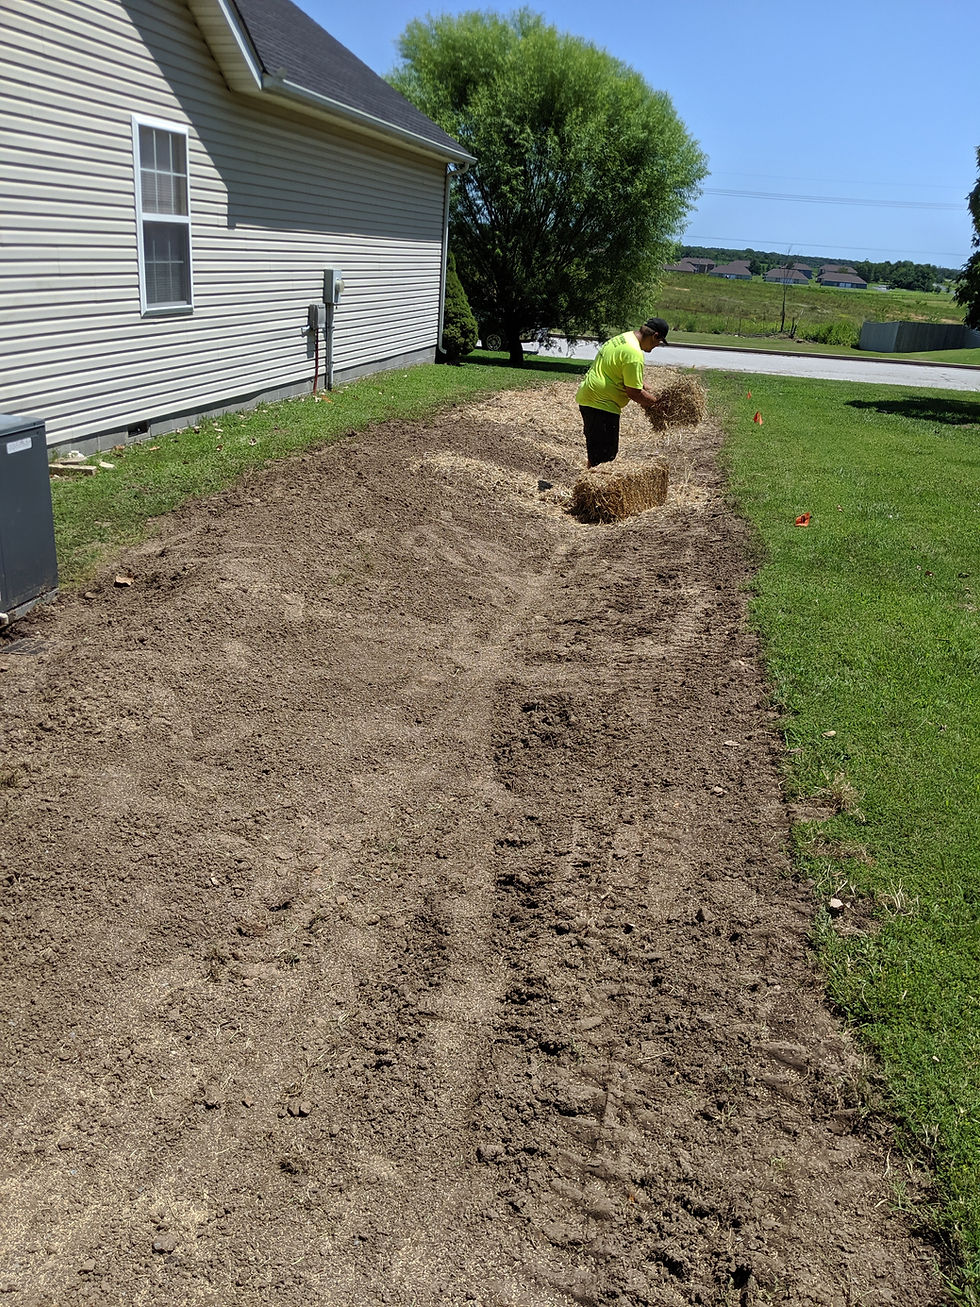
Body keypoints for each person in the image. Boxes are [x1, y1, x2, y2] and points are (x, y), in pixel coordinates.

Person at [575, 317, 669, 467]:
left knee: (596, 454)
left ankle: (588, 487)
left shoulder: (624, 338)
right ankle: (594, 489)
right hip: (602, 405)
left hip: (589, 398)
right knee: (604, 458)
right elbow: (634, 393)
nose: (657, 346)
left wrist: (650, 389)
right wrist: (659, 405)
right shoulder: (634, 354)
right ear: (655, 336)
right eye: (659, 342)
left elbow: (621, 371)